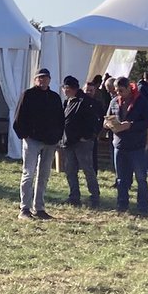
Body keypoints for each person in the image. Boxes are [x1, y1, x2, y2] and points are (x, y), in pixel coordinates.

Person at [12, 68, 65, 220]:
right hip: (32, 140)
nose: (43, 80)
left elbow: (60, 119)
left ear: (49, 80)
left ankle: (39, 208)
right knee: (28, 174)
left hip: (50, 142)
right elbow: (18, 117)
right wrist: (24, 135)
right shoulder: (28, 95)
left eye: (45, 78)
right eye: (40, 78)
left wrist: (57, 137)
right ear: (35, 80)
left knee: (44, 175)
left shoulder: (54, 97)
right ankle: (24, 209)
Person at [107, 76, 148, 215]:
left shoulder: (141, 101)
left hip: (136, 145)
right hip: (119, 145)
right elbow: (107, 117)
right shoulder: (114, 102)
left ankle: (143, 206)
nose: (118, 93)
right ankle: (122, 205)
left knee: (140, 177)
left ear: (129, 88)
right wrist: (108, 124)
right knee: (121, 178)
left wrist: (131, 125)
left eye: (121, 90)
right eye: (116, 91)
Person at [60, 75, 101, 209]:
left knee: (87, 169)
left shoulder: (85, 101)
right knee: (70, 170)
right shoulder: (68, 101)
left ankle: (94, 197)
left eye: (65, 88)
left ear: (70, 88)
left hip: (82, 142)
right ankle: (74, 196)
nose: (64, 91)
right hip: (69, 141)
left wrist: (87, 136)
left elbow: (93, 121)